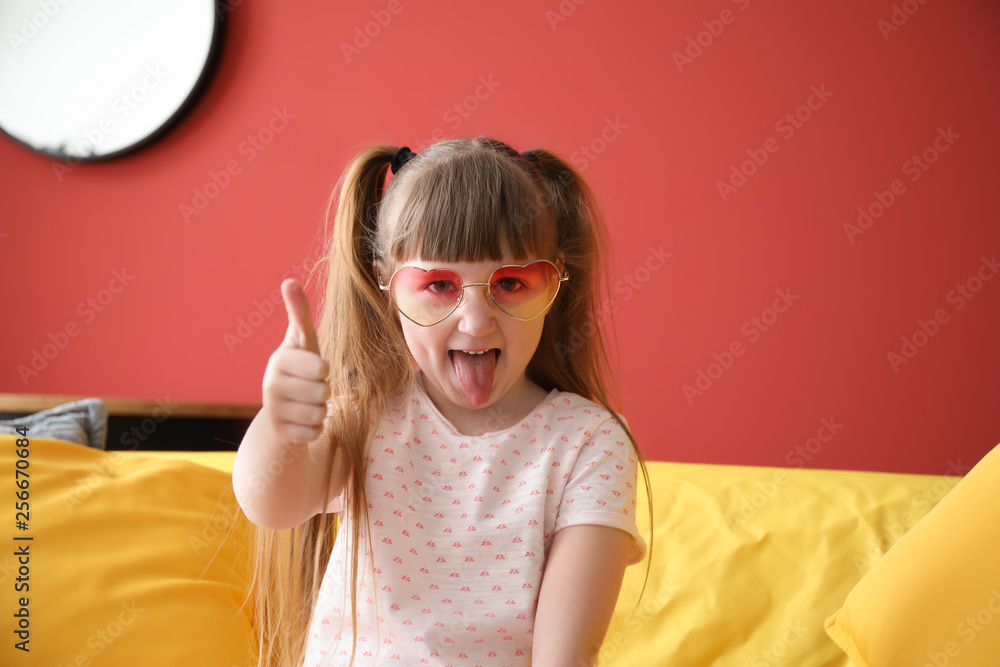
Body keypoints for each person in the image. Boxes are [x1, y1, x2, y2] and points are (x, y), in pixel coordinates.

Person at [232, 137, 652, 667]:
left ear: (555, 283)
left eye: (513, 281)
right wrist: (281, 424)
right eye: (438, 284)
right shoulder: (367, 419)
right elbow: (273, 503)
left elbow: (565, 655)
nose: (477, 322)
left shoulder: (587, 443)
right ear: (386, 285)